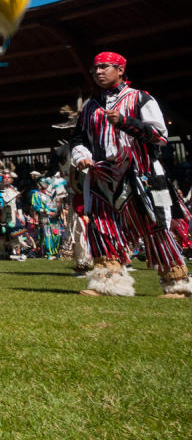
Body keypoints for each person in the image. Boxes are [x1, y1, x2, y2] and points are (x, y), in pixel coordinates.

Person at [71, 51, 190, 298]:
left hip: (142, 174)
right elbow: (78, 138)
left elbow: (160, 136)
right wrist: (81, 155)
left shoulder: (140, 99)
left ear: (121, 70)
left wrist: (125, 121)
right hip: (102, 176)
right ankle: (109, 285)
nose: (98, 72)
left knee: (156, 225)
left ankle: (177, 283)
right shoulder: (90, 107)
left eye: (104, 67)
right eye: (95, 68)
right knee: (102, 229)